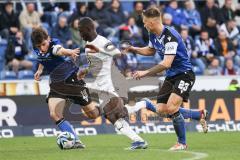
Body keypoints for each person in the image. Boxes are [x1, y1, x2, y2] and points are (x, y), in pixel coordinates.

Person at [32, 27, 147, 150]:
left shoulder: (54, 45)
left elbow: (59, 50)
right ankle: (76, 141)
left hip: (72, 81)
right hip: (56, 85)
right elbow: (42, 57)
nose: (42, 48)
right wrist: (40, 70)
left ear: (48, 39)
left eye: (44, 44)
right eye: (39, 46)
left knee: (93, 114)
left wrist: (69, 52)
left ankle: (110, 109)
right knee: (54, 114)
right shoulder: (38, 48)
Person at [123, 7, 208, 151]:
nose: (143, 24)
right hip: (171, 75)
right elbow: (151, 50)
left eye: (145, 22)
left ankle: (182, 143)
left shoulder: (170, 36)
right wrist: (134, 49)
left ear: (152, 22)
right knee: (162, 110)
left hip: (184, 74)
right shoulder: (152, 33)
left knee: (172, 107)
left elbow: (166, 63)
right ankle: (198, 114)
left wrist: (145, 73)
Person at [78, 17, 148, 150]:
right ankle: (138, 141)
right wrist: (86, 70)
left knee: (116, 112)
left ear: (88, 29)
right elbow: (96, 63)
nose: (80, 34)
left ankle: (144, 104)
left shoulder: (102, 41)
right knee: (112, 116)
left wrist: (101, 50)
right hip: (100, 84)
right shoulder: (87, 45)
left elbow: (116, 53)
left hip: (110, 82)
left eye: (81, 31)